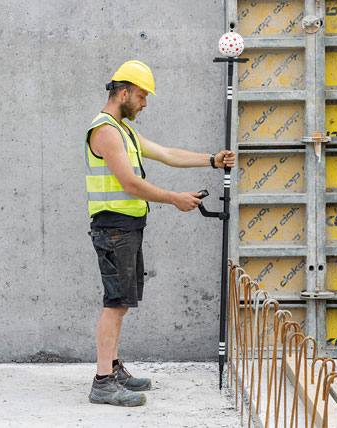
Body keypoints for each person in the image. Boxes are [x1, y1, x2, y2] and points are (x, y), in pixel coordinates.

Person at [85, 60, 235, 407]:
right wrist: (174, 199)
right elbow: (130, 184)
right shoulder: (105, 131)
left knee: (121, 304)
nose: (144, 103)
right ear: (124, 92)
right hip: (113, 228)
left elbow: (167, 154)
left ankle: (113, 368)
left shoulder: (123, 130)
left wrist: (212, 160)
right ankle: (103, 382)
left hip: (127, 227)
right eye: (141, 96)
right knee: (114, 304)